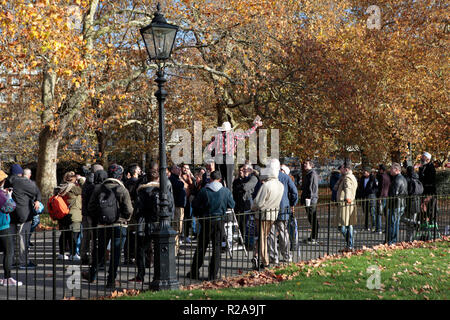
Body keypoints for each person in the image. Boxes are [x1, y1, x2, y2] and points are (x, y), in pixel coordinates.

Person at [82, 164, 133, 289]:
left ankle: (92, 275)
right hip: (119, 225)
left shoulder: (99, 189)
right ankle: (111, 280)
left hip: (102, 225)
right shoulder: (122, 189)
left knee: (99, 252)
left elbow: (91, 207)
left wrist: (100, 217)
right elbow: (129, 209)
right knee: (115, 254)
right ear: (120, 176)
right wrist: (125, 218)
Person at [187, 170, 235, 280]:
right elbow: (232, 204)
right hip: (219, 221)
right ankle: (213, 274)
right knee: (216, 248)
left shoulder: (204, 191)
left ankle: (194, 271)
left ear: (210, 179)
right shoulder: (225, 191)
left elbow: (194, 204)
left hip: (206, 220)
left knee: (201, 247)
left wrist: (201, 211)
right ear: (220, 180)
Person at [129, 169, 175, 283]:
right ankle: (160, 273)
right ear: (158, 178)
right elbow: (171, 205)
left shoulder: (141, 190)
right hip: (160, 222)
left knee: (141, 249)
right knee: (160, 249)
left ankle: (140, 275)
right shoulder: (163, 190)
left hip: (145, 223)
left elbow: (138, 209)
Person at [207, 116, 263, 190]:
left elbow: (209, 148)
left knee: (219, 179)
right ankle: (229, 195)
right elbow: (246, 134)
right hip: (229, 158)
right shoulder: (233, 135)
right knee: (229, 180)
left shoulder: (216, 137)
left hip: (218, 158)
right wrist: (255, 126)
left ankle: (220, 193)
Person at [4, 164, 41, 269]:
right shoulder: (22, 181)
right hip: (23, 214)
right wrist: (37, 200)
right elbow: (36, 191)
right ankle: (23, 262)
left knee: (10, 240)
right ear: (20, 173)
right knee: (22, 239)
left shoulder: (5, 181)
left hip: (8, 214)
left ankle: (10, 261)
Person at [251, 159, 284, 269]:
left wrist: (253, 207)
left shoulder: (266, 185)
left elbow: (259, 203)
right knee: (265, 237)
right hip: (273, 214)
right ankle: (263, 259)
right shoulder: (280, 185)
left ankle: (265, 261)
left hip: (262, 215)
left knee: (262, 239)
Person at [268, 163, 298, 264]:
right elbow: (294, 192)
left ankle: (273, 257)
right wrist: (292, 203)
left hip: (271, 208)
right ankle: (286, 255)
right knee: (283, 232)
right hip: (283, 208)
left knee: (272, 233)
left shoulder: (268, 177)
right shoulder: (285, 177)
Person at [80, 167, 107, 265]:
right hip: (92, 214)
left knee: (86, 237)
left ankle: (84, 256)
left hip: (85, 213)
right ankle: (94, 258)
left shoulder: (86, 182)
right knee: (94, 237)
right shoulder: (94, 184)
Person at [0, 170, 22, 287]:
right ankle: (7, 277)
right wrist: (9, 197)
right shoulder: (0, 195)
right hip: (3, 226)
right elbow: (8, 208)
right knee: (9, 252)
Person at [58, 171, 84, 260]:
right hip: (73, 214)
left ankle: (61, 253)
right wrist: (80, 179)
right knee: (74, 235)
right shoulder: (73, 188)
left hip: (62, 214)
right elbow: (83, 188)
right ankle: (73, 254)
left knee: (64, 234)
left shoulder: (61, 187)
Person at [232, 164, 258, 246]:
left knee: (247, 223)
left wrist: (240, 187)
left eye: (245, 169)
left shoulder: (253, 178)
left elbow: (245, 187)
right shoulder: (237, 180)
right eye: (242, 170)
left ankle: (248, 242)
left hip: (248, 203)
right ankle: (241, 240)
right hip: (238, 203)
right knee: (240, 223)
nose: (243, 171)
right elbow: (235, 190)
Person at [335, 162, 358, 252]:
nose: (340, 170)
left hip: (346, 204)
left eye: (342, 168)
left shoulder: (347, 178)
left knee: (343, 225)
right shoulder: (352, 177)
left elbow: (348, 187)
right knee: (348, 224)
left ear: (346, 169)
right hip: (349, 203)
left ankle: (350, 244)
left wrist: (347, 197)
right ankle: (349, 245)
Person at [123, 163, 142, 265]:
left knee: (129, 234)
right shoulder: (136, 182)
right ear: (135, 171)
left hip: (128, 209)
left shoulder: (126, 183)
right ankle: (133, 255)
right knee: (134, 234)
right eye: (138, 169)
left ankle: (127, 256)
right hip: (135, 210)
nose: (140, 171)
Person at [387, 162, 408, 245]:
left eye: (391, 169)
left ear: (396, 170)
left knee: (393, 223)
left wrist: (388, 204)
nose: (390, 170)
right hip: (401, 203)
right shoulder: (402, 178)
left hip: (396, 204)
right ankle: (392, 240)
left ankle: (392, 240)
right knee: (395, 222)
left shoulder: (397, 179)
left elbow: (394, 194)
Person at [168, 165, 187, 256]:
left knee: (179, 228)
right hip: (176, 207)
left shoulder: (176, 179)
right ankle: (175, 249)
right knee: (176, 227)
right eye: (177, 168)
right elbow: (182, 185)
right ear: (172, 170)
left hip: (180, 206)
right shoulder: (173, 179)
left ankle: (177, 247)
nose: (179, 170)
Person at [300, 160, 319, 244]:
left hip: (311, 200)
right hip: (307, 199)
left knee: (313, 218)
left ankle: (314, 238)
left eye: (306, 163)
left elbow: (313, 188)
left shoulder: (312, 174)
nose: (304, 164)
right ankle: (312, 236)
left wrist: (310, 199)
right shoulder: (308, 174)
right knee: (310, 218)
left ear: (311, 165)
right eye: (304, 163)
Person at [23, 168, 42, 248]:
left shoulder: (32, 183)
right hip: (25, 207)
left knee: (35, 221)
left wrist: (37, 201)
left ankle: (27, 238)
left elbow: (38, 193)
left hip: (33, 206)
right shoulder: (19, 183)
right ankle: (25, 240)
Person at [404, 166, 423, 241]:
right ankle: (410, 238)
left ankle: (409, 239)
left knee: (408, 222)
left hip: (410, 202)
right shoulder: (417, 178)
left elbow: (407, 192)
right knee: (411, 221)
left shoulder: (407, 179)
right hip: (417, 202)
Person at [356, 167, 378, 231]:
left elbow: (376, 188)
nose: (364, 173)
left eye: (365, 171)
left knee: (372, 213)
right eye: (363, 171)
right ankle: (366, 226)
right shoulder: (362, 179)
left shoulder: (373, 179)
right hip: (364, 197)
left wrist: (371, 191)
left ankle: (373, 226)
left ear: (368, 172)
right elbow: (360, 187)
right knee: (365, 213)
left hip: (371, 198)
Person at [418, 152, 437, 221]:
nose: (421, 158)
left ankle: (428, 219)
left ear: (427, 158)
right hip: (425, 190)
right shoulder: (424, 166)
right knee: (422, 206)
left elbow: (430, 179)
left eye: (423, 157)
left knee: (427, 206)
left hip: (430, 191)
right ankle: (425, 219)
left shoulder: (431, 167)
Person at [180, 163, 195, 244]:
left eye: (187, 168)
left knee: (187, 218)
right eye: (184, 168)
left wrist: (190, 177)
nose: (185, 169)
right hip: (181, 201)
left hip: (188, 201)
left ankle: (186, 235)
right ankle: (180, 236)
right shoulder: (179, 176)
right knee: (180, 219)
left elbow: (193, 187)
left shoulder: (190, 177)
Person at [375, 164, 390, 234]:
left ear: (381, 169)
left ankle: (379, 228)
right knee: (386, 213)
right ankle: (387, 228)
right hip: (386, 196)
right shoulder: (387, 176)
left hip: (382, 196)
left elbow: (381, 188)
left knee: (379, 213)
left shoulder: (381, 177)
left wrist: (379, 198)